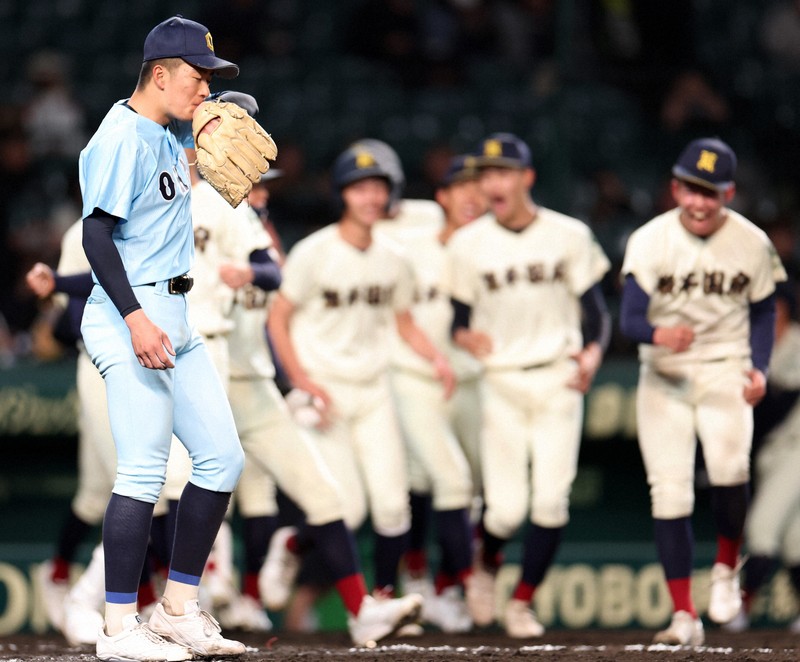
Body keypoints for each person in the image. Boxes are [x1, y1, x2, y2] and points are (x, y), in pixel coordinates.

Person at [78, 15, 252, 660]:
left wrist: (224, 108)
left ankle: (178, 609)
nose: (205, 88)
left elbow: (239, 109)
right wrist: (133, 319)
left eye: (209, 77)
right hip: (133, 313)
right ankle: (119, 629)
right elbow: (97, 235)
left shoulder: (166, 129)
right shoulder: (121, 137)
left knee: (221, 459)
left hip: (177, 313)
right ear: (159, 73)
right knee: (145, 471)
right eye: (197, 76)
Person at [218, 170, 426, 646]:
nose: (263, 194)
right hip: (204, 373)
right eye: (253, 186)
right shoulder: (194, 220)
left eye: (264, 186)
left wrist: (290, 382)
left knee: (330, 500)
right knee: (166, 492)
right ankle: (133, 602)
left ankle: (363, 610)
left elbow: (273, 287)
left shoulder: (256, 234)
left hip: (257, 384)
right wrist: (303, 380)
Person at [267, 140, 456, 607]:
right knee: (347, 509)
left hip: (373, 391)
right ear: (342, 195)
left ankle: (384, 598)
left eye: (378, 188)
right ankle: (292, 544)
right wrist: (299, 380)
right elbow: (278, 316)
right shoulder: (315, 251)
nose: (370, 197)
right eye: (359, 188)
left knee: (393, 506)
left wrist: (436, 357)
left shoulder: (393, 257)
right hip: (323, 391)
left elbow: (403, 319)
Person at [619, 137, 786, 646]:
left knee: (730, 472)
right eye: (691, 189)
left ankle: (724, 570)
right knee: (669, 490)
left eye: (710, 192)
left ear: (728, 194)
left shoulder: (752, 241)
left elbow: (762, 309)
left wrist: (759, 367)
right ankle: (684, 616)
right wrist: (658, 333)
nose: (698, 202)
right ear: (675, 188)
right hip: (665, 371)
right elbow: (629, 319)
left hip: (724, 366)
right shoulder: (650, 239)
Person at [444, 132, 611, 638]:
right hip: (501, 383)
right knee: (506, 509)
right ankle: (488, 564)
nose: (493, 182)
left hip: (558, 378)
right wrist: (463, 335)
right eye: (487, 174)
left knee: (550, 503)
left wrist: (595, 351)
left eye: (503, 173)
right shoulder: (467, 243)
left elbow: (597, 312)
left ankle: (522, 603)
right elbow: (458, 317)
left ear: (526, 178)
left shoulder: (569, 235)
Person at [380, 154, 488, 633]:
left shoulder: (496, 250)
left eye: (479, 188)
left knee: (468, 489)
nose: (471, 196)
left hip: (476, 380)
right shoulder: (409, 243)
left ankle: (435, 582)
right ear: (441, 197)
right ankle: (440, 584)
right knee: (442, 481)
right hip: (417, 377)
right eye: (460, 187)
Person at [725, 280, 800, 633]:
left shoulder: (797, 343)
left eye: (777, 311)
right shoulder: (751, 349)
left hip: (797, 448)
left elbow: (778, 404)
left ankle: (739, 609)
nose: (772, 319)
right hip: (772, 452)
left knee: (761, 528)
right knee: (795, 540)